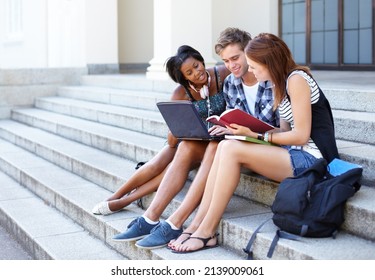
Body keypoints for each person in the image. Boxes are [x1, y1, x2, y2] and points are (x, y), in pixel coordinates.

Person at [171, 32, 339, 253]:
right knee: (224, 145)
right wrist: (246, 132)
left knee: (230, 150)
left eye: (255, 66)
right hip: (293, 152)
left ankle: (206, 231)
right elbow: (283, 131)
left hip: (314, 160)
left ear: (268, 62)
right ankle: (196, 225)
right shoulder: (279, 82)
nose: (252, 71)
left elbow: (301, 135)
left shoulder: (296, 79)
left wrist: (257, 136)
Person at [121, 27, 279, 250]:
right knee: (186, 146)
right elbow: (233, 117)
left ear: (249, 52)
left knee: (217, 148)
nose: (231, 65)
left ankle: (178, 223)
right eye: (226, 60)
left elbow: (283, 130)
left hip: (262, 147)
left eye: (235, 58)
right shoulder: (233, 83)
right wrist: (224, 127)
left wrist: (246, 132)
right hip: (238, 144)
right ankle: (151, 218)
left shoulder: (270, 79)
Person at [110, 45, 231, 240]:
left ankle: (133, 205)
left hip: (226, 139)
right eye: (190, 72)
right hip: (200, 141)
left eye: (197, 65)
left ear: (201, 60)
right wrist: (180, 124)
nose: (197, 72)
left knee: (172, 157)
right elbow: (172, 138)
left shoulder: (223, 73)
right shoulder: (181, 93)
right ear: (184, 78)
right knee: (176, 148)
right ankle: (149, 218)